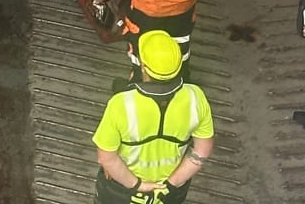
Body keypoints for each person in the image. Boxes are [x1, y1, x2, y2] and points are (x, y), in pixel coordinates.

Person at [92, 30, 215, 204]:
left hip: (122, 189)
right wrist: (171, 184)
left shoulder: (121, 104)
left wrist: (137, 185)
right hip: (169, 191)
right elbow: (202, 151)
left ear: (143, 67)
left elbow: (106, 158)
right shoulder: (196, 97)